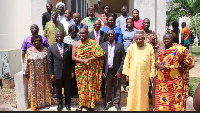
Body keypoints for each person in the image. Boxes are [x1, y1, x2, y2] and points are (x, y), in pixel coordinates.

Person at [153, 33, 195, 111]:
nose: (166, 40)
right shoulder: (159, 49)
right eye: (165, 39)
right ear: (162, 39)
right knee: (162, 100)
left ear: (172, 40)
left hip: (176, 80)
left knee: (176, 99)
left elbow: (189, 59)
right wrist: (159, 66)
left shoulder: (179, 49)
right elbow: (155, 62)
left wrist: (181, 64)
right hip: (163, 81)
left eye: (168, 39)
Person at [72, 28, 105, 111]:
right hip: (81, 69)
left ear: (87, 34)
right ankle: (81, 104)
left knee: (90, 86)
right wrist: (83, 60)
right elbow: (73, 57)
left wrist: (90, 59)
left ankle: (90, 105)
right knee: (81, 87)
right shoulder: (76, 44)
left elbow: (101, 54)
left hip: (90, 69)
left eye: (84, 33)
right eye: (80, 33)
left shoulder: (92, 43)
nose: (82, 35)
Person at [122, 30, 155, 111]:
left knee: (143, 94)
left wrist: (152, 75)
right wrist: (127, 74)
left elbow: (152, 62)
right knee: (133, 93)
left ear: (144, 38)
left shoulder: (149, 47)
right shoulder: (131, 47)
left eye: (140, 39)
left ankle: (142, 109)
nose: (138, 41)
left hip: (144, 75)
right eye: (136, 39)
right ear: (134, 39)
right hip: (133, 75)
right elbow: (127, 61)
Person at [23, 35, 51, 111]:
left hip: (44, 73)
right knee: (34, 89)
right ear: (32, 42)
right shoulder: (29, 50)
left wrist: (51, 72)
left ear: (41, 41)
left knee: (45, 88)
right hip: (33, 75)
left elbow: (49, 61)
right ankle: (36, 105)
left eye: (38, 40)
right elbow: (26, 62)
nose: (37, 42)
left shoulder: (45, 50)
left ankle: (45, 103)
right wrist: (25, 72)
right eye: (35, 41)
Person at [47, 31, 74, 111]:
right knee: (58, 90)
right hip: (57, 72)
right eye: (57, 36)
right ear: (55, 37)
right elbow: (50, 62)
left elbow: (72, 61)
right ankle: (60, 104)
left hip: (67, 72)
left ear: (63, 37)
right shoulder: (51, 48)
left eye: (61, 36)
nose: (59, 38)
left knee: (67, 89)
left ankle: (68, 104)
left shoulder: (69, 46)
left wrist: (72, 71)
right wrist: (51, 73)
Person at [101, 30, 125, 111]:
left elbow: (123, 59)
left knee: (117, 87)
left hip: (116, 71)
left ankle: (117, 103)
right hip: (107, 71)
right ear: (107, 36)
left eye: (112, 34)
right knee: (107, 87)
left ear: (114, 35)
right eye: (109, 34)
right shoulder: (102, 45)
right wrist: (102, 71)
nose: (110, 35)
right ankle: (108, 103)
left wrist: (120, 71)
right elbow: (100, 60)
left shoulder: (120, 45)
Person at [142, 18, 160, 106]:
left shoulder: (153, 33)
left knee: (150, 79)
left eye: (148, 23)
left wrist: (156, 59)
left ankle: (150, 99)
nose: (146, 24)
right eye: (145, 22)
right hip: (141, 60)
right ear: (142, 23)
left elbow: (157, 46)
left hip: (150, 60)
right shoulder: (139, 33)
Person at [121, 18, 138, 91]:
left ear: (133, 23)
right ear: (126, 23)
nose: (129, 23)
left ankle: (132, 81)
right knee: (125, 66)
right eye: (128, 22)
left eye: (130, 22)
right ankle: (125, 82)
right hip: (124, 50)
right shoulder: (123, 30)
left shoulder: (136, 31)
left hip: (133, 51)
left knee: (132, 66)